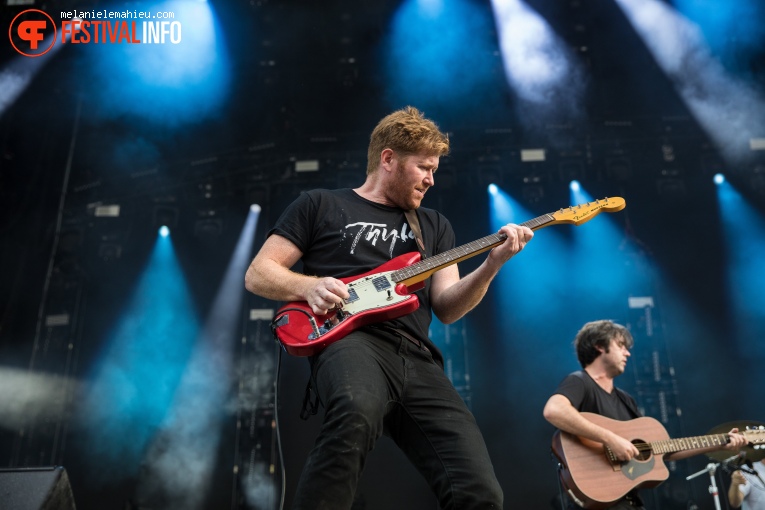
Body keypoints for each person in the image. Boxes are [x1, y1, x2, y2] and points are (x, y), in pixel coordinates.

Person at [244, 106, 534, 509]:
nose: (432, 180)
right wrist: (309, 287)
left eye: (435, 169)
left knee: (478, 487)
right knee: (355, 412)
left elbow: (447, 306)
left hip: (418, 358)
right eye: (424, 168)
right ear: (388, 159)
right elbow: (259, 273)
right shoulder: (320, 205)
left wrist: (491, 265)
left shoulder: (434, 225)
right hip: (352, 341)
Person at [543, 320, 747, 510]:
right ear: (599, 345)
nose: (628, 353)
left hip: (628, 501)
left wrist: (718, 443)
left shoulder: (626, 400)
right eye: (621, 346)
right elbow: (554, 410)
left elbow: (661, 451)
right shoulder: (580, 382)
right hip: (598, 499)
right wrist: (610, 439)